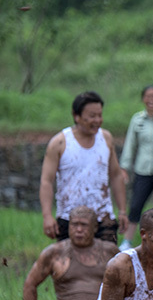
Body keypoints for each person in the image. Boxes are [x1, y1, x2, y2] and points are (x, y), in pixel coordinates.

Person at [39, 91, 128, 243]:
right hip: (71, 219)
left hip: (103, 217)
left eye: (100, 115)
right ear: (76, 116)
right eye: (92, 116)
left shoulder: (106, 138)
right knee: (70, 265)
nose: (97, 120)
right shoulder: (60, 143)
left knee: (107, 263)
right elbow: (46, 181)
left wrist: (122, 210)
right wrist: (47, 216)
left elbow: (116, 175)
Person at [119, 85, 153, 250]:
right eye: (148, 96)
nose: (151, 100)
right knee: (136, 205)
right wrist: (124, 167)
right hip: (143, 170)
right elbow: (130, 145)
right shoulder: (137, 120)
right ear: (143, 99)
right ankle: (127, 241)